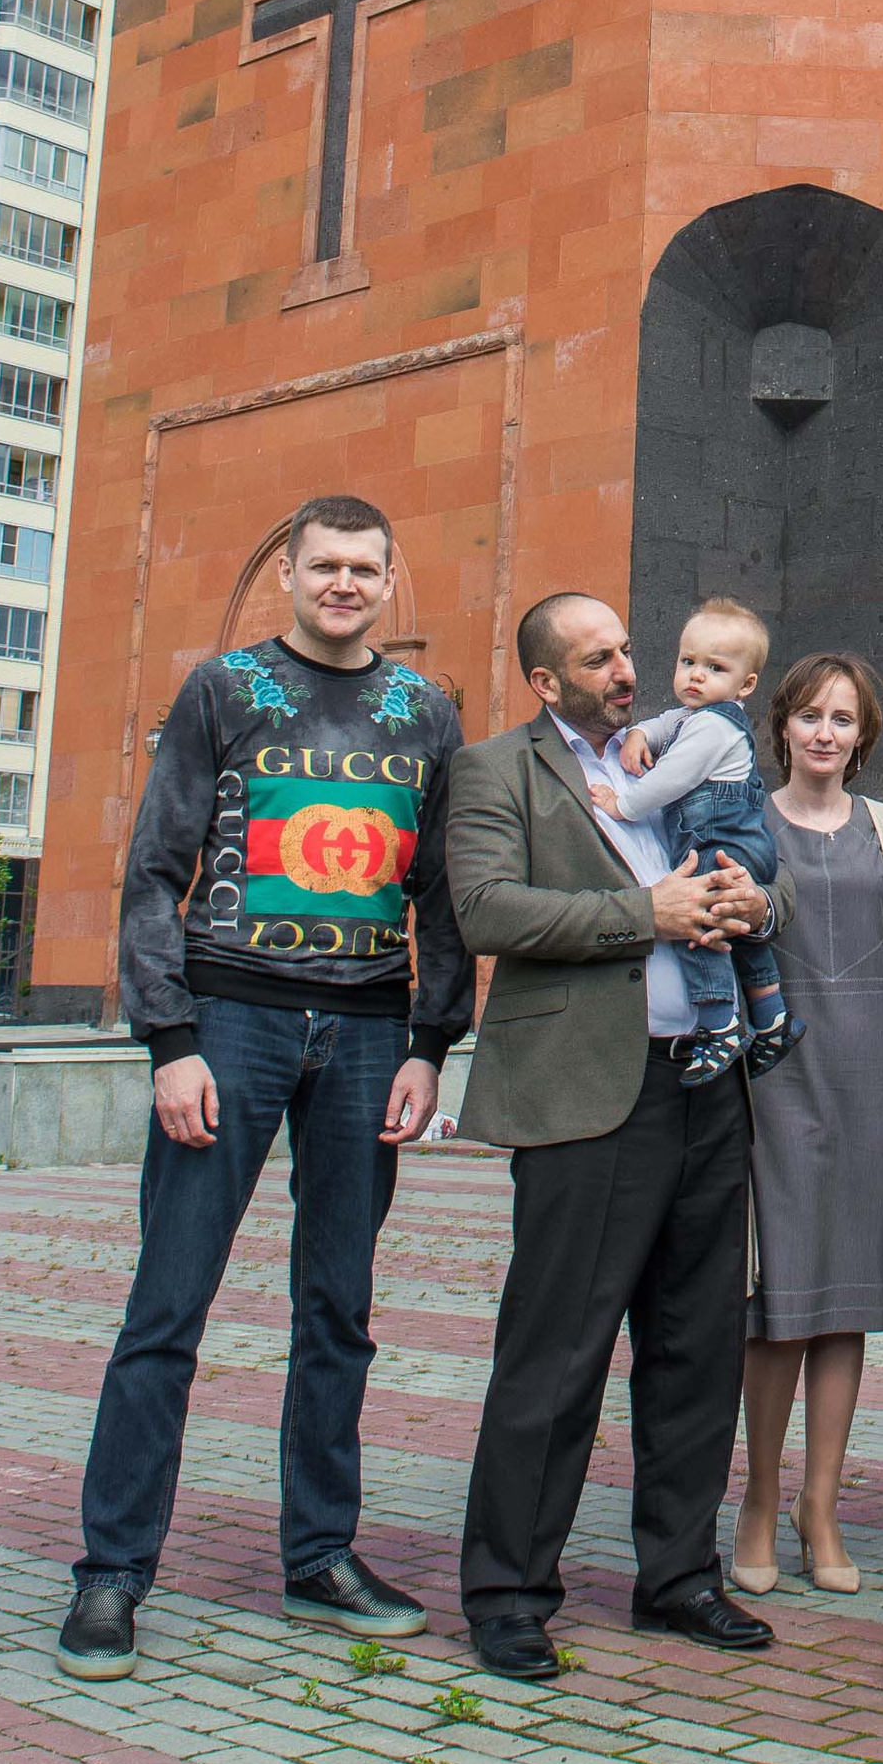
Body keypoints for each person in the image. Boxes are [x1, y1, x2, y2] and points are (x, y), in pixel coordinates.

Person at [58, 495, 471, 1682]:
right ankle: (112, 1571)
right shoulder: (221, 690)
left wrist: (429, 1044)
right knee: (166, 1308)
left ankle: (320, 1553)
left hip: (365, 1035)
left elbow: (438, 899)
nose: (344, 583)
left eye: (364, 568)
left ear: (390, 580)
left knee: (337, 1310)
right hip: (227, 1021)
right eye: (324, 565)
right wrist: (168, 1039)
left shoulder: (426, 712)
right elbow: (152, 870)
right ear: (287, 573)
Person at [450, 593, 774, 1681]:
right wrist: (650, 917)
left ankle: (677, 1577)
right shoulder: (499, 771)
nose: (627, 669)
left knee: (696, 1348)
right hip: (590, 1094)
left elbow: (733, 864)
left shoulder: (672, 752)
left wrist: (747, 905)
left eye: (628, 649)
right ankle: (507, 1591)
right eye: (600, 658)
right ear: (548, 682)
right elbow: (488, 908)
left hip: (704, 1085)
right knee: (557, 1351)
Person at [733, 650, 883, 1598]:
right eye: (809, 714)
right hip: (773, 1074)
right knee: (779, 1302)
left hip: (872, 1071)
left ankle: (823, 1504)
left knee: (846, 1298)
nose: (825, 731)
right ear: (782, 725)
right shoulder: (745, 818)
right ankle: (760, 1502)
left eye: (843, 719)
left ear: (864, 735)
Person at [606, 597, 794, 1085]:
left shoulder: (712, 727)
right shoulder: (691, 715)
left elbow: (671, 779)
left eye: (714, 667)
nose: (695, 675)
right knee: (736, 930)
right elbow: (660, 724)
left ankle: (721, 1025)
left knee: (700, 925)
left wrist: (621, 805)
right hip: (736, 842)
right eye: (687, 661)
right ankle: (772, 1018)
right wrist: (638, 734)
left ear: (745, 685)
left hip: (722, 841)